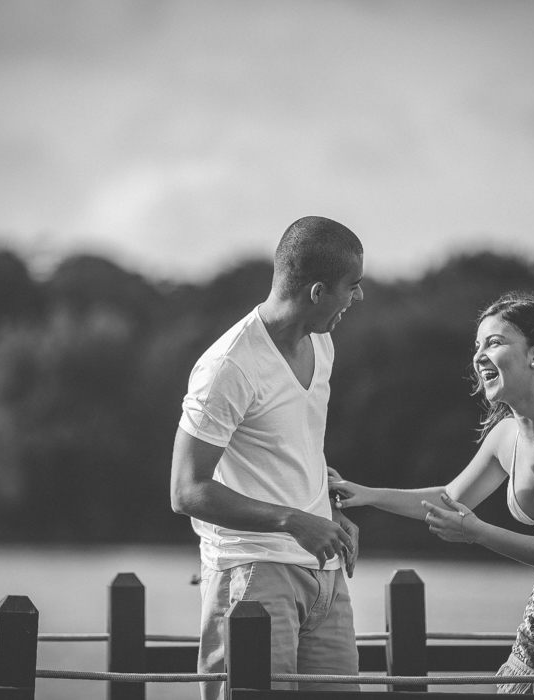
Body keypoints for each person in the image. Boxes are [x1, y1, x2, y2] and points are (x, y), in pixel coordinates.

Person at [329, 292, 534, 695]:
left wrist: (477, 533)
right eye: (477, 346)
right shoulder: (506, 435)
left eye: (494, 342)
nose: (479, 356)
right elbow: (449, 500)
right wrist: (365, 494)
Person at [171, 216, 365, 700]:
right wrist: (293, 520)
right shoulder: (229, 366)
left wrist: (329, 510)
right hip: (251, 577)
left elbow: (295, 448)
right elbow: (186, 490)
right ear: (318, 292)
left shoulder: (323, 343)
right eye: (352, 286)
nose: (356, 299)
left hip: (325, 575)